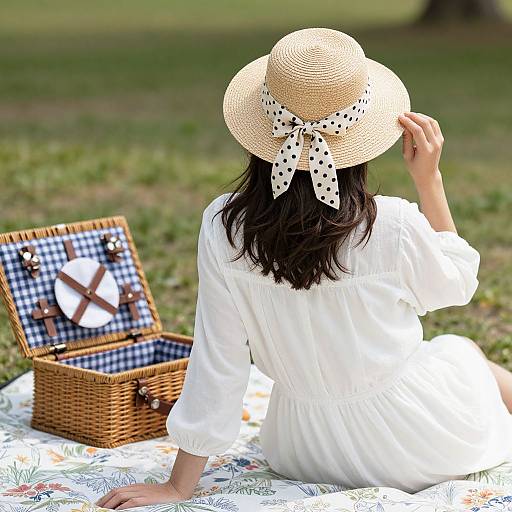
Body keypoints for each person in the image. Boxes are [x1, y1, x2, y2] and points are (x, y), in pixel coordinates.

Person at [97, 28, 512, 510]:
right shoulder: (392, 223)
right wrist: (430, 181)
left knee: (454, 355)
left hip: (302, 448)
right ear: (361, 140)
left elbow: (219, 361)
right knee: (461, 352)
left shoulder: (222, 226)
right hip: (417, 445)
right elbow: (456, 286)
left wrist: (178, 487)